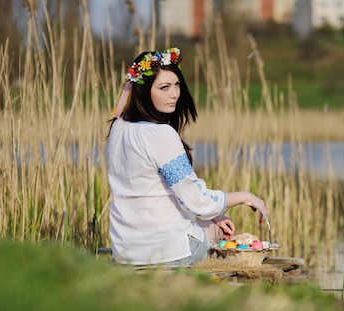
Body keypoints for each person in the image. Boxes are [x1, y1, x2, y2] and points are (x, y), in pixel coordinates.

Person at [106, 47, 267, 266]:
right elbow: (196, 200)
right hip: (168, 253)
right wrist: (246, 196)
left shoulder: (119, 127)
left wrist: (216, 214)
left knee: (213, 220)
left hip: (127, 252)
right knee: (215, 230)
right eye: (164, 87)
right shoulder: (160, 134)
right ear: (144, 91)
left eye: (176, 85)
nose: (174, 94)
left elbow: (155, 190)